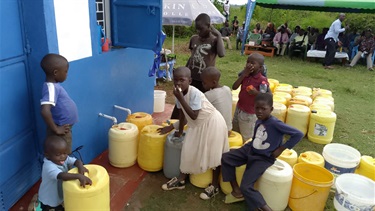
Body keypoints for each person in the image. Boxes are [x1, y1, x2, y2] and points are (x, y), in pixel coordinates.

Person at [221, 93, 304, 210]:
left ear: (271, 109)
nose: (259, 111)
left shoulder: (275, 123)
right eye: (257, 108)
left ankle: (265, 208)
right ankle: (236, 191)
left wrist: (281, 148)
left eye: (263, 109)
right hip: (251, 149)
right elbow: (257, 137)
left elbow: (298, 134)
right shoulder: (259, 120)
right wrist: (246, 147)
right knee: (226, 158)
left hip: (263, 157)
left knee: (246, 186)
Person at [159, 67, 229, 200]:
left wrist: (181, 98)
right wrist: (178, 131)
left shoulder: (195, 93)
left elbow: (194, 115)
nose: (178, 83)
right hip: (197, 126)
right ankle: (181, 180)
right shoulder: (178, 93)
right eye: (175, 80)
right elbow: (182, 114)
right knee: (187, 150)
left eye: (182, 80)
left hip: (212, 123)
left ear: (189, 81)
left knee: (215, 153)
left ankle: (214, 186)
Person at [170, 13, 225, 119]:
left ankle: (194, 123)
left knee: (200, 105)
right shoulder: (194, 39)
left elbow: (222, 54)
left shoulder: (214, 40)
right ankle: (175, 121)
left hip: (205, 80)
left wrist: (218, 36)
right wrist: (185, 70)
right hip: (192, 77)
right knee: (184, 99)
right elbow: (192, 56)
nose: (198, 32)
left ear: (209, 26)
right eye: (197, 29)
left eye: (201, 29)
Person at [38, 135, 92, 210]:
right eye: (58, 154)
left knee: (60, 202)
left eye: (65, 153)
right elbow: (62, 176)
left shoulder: (62, 159)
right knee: (49, 207)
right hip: (49, 197)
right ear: (47, 155)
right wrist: (79, 176)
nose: (63, 156)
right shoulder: (48, 166)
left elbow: (76, 161)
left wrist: (80, 166)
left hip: (58, 193)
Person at [40, 54, 78, 154]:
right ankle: (64, 169)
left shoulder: (54, 86)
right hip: (60, 131)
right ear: (56, 72)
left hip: (64, 128)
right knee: (63, 155)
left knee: (63, 154)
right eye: (65, 71)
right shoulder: (51, 88)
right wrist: (56, 129)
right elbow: (45, 110)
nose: (67, 74)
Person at [232, 53, 269, 142]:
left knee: (247, 137)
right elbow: (234, 87)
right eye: (248, 62)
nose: (249, 65)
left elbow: (265, 96)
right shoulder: (245, 75)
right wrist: (244, 74)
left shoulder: (262, 80)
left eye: (252, 63)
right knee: (235, 133)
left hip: (250, 113)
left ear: (260, 67)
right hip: (239, 108)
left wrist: (256, 93)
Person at [201, 67, 232, 135]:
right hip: (229, 128)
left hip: (218, 132)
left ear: (214, 82)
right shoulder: (227, 89)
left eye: (204, 83)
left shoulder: (208, 95)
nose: (202, 84)